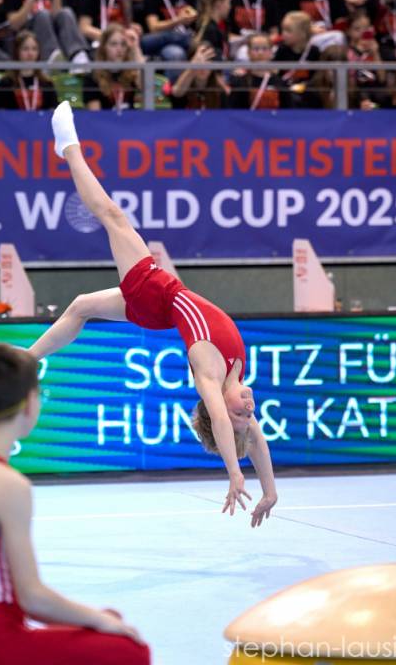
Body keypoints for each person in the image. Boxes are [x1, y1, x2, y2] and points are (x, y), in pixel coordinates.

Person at [30, 101, 278, 524]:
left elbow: (223, 421)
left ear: (217, 405)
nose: (249, 409)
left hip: (155, 293)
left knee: (111, 215)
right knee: (82, 307)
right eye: (250, 413)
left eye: (240, 412)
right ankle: (28, 358)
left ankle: (68, 146)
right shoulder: (236, 377)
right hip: (160, 310)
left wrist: (234, 474)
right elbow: (253, 438)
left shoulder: (209, 374)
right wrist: (269, 491)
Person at [0, 342, 150, 665]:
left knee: (107, 622)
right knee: (129, 651)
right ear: (29, 404)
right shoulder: (7, 485)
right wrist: (100, 620)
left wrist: (100, 619)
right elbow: (32, 597)